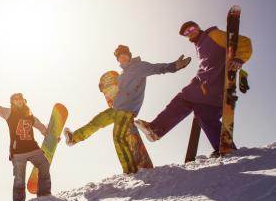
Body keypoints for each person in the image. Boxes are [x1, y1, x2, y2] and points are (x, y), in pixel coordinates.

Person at [64, 45, 190, 174]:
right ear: (118, 59)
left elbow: (156, 68)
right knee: (96, 122)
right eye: (119, 56)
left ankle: (130, 170)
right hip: (116, 108)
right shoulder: (122, 74)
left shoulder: (138, 67)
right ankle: (73, 138)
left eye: (125, 54)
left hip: (126, 109)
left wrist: (175, 66)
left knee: (119, 137)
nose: (122, 57)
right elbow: (112, 88)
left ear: (129, 55)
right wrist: (104, 87)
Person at [135, 21, 253, 155]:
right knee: (204, 115)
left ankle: (156, 129)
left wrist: (239, 59)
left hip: (211, 85)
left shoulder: (213, 35)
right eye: (186, 32)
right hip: (207, 88)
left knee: (183, 99)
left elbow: (244, 41)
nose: (189, 32)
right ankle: (225, 148)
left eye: (191, 28)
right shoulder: (199, 45)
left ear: (197, 27)